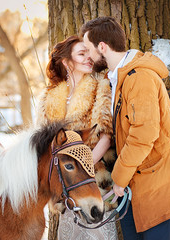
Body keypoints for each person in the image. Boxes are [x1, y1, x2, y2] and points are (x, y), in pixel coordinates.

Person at [80, 16, 170, 240]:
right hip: (134, 186)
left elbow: (144, 135)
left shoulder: (139, 78)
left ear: (102, 47)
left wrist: (119, 179)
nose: (88, 55)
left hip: (156, 185)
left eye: (88, 49)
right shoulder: (118, 78)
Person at [37, 35, 118, 239]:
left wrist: (82, 169)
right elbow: (45, 145)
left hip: (94, 177)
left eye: (88, 53)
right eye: (81, 54)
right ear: (66, 61)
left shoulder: (101, 85)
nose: (88, 58)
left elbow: (106, 136)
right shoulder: (50, 97)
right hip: (64, 184)